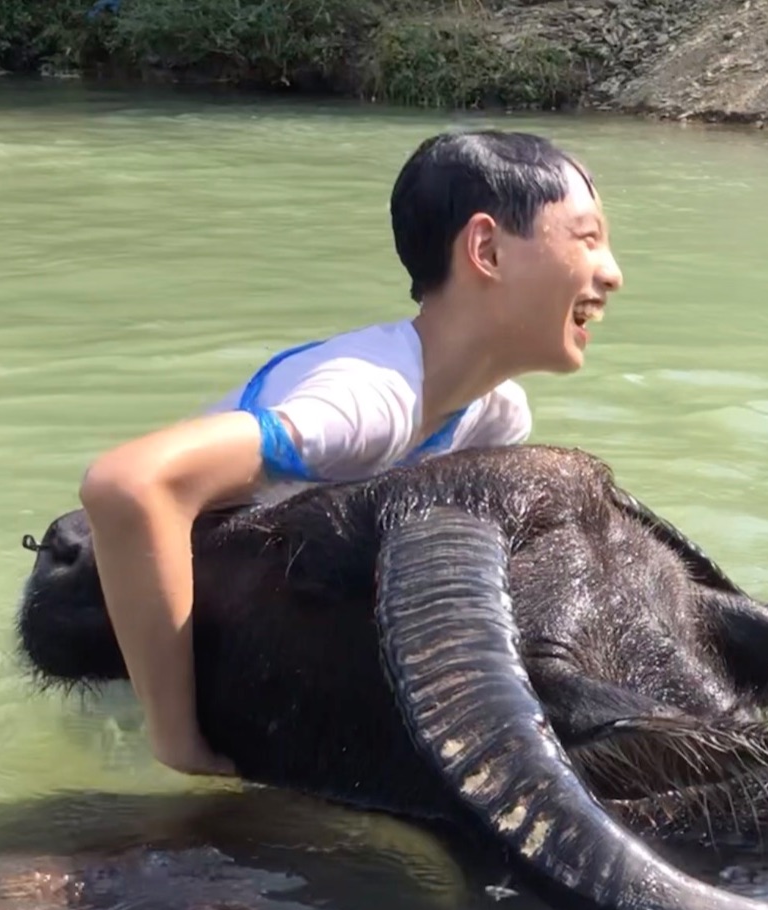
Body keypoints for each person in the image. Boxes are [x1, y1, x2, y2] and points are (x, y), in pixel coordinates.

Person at [77, 128, 624, 779]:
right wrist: (176, 740)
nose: (611, 273)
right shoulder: (369, 398)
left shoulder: (496, 414)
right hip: (139, 682)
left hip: (266, 657)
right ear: (487, 250)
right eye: (587, 239)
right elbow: (129, 483)